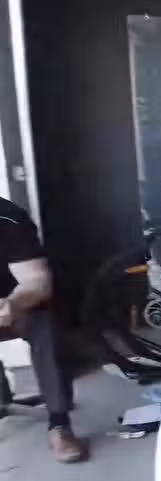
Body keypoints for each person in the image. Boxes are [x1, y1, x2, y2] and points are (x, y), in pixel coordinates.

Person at [0, 195, 88, 462]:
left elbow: (37, 280)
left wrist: (13, 303)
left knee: (46, 323)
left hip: (14, 307)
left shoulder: (6, 216)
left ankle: (59, 424)